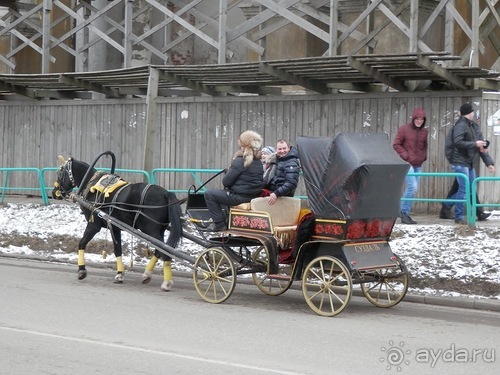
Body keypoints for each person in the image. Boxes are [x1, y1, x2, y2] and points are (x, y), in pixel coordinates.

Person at [442, 103, 495, 224]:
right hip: (460, 161)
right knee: (463, 189)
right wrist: (475, 144)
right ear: (469, 113)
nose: (473, 113)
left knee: (470, 189)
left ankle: (447, 204)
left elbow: (479, 144)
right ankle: (459, 217)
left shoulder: (473, 126)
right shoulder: (460, 125)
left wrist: (488, 162)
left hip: (469, 162)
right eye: (472, 112)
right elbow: (458, 142)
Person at [203, 130, 264, 231]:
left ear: (243, 145)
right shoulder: (258, 162)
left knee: (209, 194)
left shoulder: (239, 161)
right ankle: (227, 219)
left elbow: (226, 182)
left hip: (239, 197)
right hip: (253, 197)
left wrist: (228, 173)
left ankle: (219, 224)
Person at [393, 108, 428, 224]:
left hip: (418, 163)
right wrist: (405, 155)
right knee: (413, 186)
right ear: (413, 119)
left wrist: (424, 156)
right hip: (407, 163)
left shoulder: (424, 132)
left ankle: (404, 213)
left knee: (413, 189)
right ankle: (403, 212)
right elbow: (396, 144)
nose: (419, 121)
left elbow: (424, 146)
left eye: (421, 119)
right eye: (417, 119)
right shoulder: (404, 129)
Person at [264, 139, 300, 206]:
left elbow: (291, 183)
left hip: (282, 196)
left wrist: (276, 193)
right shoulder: (275, 160)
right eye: (280, 149)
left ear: (289, 148)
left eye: (284, 148)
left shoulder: (292, 162)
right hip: (273, 192)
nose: (282, 151)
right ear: (276, 150)